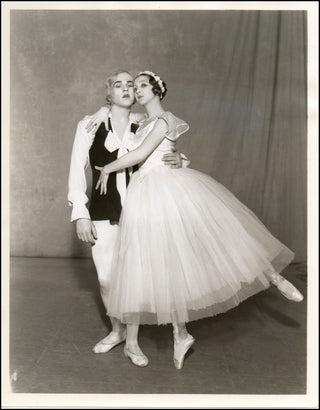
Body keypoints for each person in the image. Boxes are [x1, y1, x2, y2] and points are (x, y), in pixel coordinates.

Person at [93, 70, 304, 369]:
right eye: (134, 87)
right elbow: (123, 121)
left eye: (143, 86)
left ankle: (273, 275)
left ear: (157, 90)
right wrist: (103, 109)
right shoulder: (141, 122)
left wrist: (107, 168)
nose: (137, 91)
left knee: (218, 233)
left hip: (165, 188)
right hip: (144, 194)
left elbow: (142, 153)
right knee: (167, 262)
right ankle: (180, 334)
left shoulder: (165, 119)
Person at [68, 70, 186, 355]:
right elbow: (76, 170)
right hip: (101, 210)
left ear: (137, 95)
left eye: (130, 85)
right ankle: (117, 331)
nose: (125, 88)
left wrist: (179, 159)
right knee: (107, 278)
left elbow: (161, 150)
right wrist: (80, 213)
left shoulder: (142, 124)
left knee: (137, 277)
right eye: (117, 85)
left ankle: (133, 342)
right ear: (109, 94)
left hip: (140, 207)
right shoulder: (89, 124)